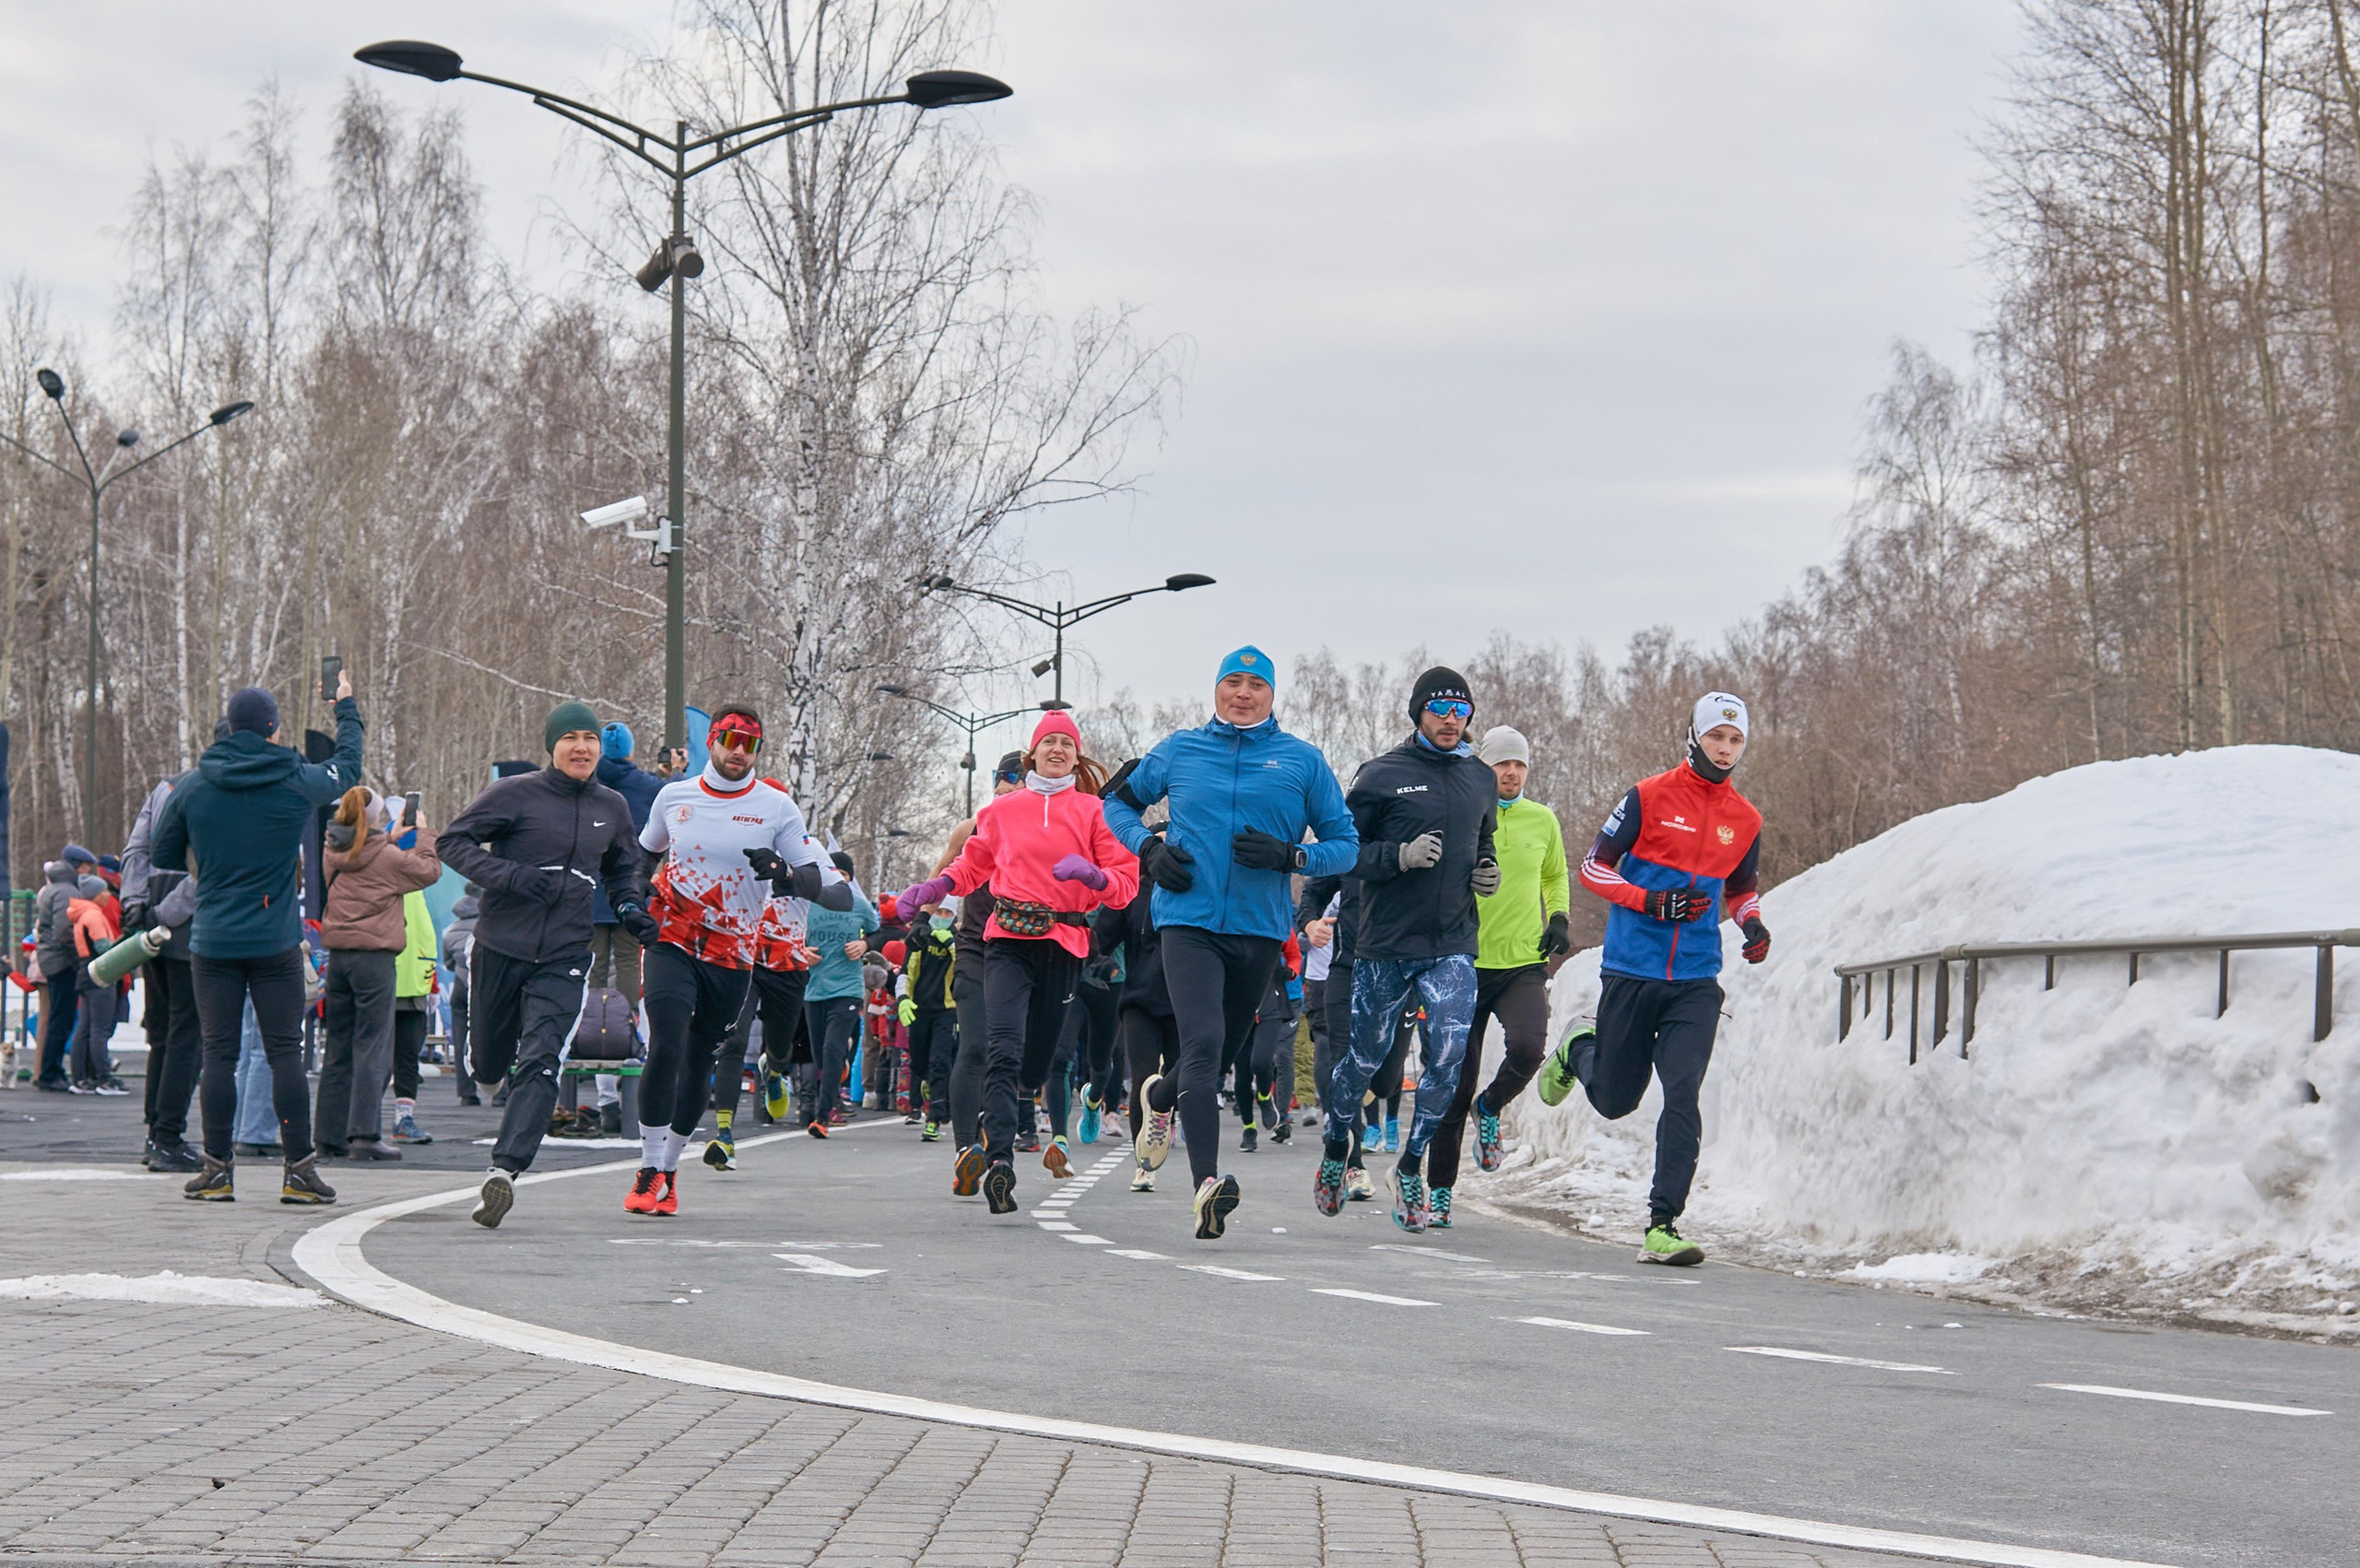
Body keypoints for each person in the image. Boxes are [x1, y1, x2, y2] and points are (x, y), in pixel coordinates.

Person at [1103, 646, 1359, 1240]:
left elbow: (1346, 845)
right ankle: (1207, 1187)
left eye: (1256, 685)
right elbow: (1115, 805)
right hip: (1187, 922)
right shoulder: (1180, 749)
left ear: (1272, 695)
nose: (1243, 693)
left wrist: (1293, 856)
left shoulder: (1302, 761)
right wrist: (1148, 849)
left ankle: (1160, 1099)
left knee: (1215, 1061)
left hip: (1258, 929)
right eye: (1233, 682)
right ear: (1217, 689)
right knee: (1203, 1043)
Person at [1539, 692, 1768, 1267]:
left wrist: (1752, 923)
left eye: (1735, 740)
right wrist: (1649, 900)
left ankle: (1662, 1225)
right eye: (1716, 736)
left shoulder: (1746, 819)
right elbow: (1593, 867)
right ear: (1694, 737)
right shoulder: (1647, 796)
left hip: (1695, 978)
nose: (1725, 748)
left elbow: (1740, 890)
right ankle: (1579, 1046)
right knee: (1615, 1100)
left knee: (1683, 1093)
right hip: (1632, 969)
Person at [893, 712, 1137, 1214]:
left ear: (1076, 756)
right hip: (1006, 939)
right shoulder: (1002, 811)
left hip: (1063, 944)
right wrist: (935, 887)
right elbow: (972, 864)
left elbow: (1125, 883)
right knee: (1000, 1048)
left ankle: (1004, 1123)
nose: (1057, 750)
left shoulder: (1093, 811)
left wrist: (1094, 877)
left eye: (1066, 744)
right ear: (1032, 754)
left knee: (1036, 1062)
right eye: (1048, 742)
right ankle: (1000, 1161)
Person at [436, 701, 649, 1229]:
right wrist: (509, 876)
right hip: (500, 946)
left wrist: (629, 908)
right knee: (489, 1066)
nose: (581, 747)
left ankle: (505, 1171)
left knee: (542, 1059)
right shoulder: (515, 794)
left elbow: (623, 870)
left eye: (590, 738)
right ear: (552, 745)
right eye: (570, 737)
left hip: (566, 952)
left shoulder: (613, 806)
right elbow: (451, 842)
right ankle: (485, 1067)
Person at [152, 678, 364, 1204]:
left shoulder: (193, 786)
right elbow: (348, 767)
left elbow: (163, 853)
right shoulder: (294, 778)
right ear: (273, 728)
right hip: (274, 938)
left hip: (213, 939)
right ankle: (300, 1173)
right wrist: (345, 708)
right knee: (285, 1052)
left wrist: (211, 863)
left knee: (218, 1054)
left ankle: (216, 1171)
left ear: (228, 725)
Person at [630, 704, 846, 1210]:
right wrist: (633, 895)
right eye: (730, 740)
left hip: (733, 953)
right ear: (712, 741)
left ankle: (669, 1170)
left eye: (750, 744)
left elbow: (826, 885)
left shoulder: (777, 808)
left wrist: (785, 874)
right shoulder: (674, 796)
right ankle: (646, 1169)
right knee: (665, 1043)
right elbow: (643, 856)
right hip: (672, 935)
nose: (739, 751)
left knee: (698, 1058)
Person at [1314, 666, 1497, 1233]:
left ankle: (1411, 1164)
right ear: (1418, 713)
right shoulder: (1381, 775)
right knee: (1366, 1060)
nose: (1451, 719)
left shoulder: (1480, 777)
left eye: (1460, 710)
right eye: (1440, 709)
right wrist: (1398, 856)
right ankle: (1337, 1144)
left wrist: (1487, 869)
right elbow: (1343, 851)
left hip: (1452, 944)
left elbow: (1483, 839)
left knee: (1448, 1055)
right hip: (1385, 945)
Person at [1428, 724, 1572, 1229]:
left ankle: (1490, 1107)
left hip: (1522, 962)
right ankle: (1439, 1192)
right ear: (1483, 767)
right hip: (1462, 962)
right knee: (1454, 1085)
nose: (1511, 772)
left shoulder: (1542, 819)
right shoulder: (1462, 815)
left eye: (1519, 764)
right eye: (1502, 764)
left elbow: (1554, 874)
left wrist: (1559, 916)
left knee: (1529, 1048)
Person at [312, 787, 440, 1161]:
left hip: (338, 958)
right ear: (374, 819)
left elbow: (365, 853)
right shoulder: (386, 857)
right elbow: (428, 871)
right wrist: (423, 835)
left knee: (338, 1047)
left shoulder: (331, 849)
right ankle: (365, 1135)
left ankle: (329, 1137)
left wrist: (389, 837)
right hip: (374, 960)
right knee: (372, 1047)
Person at [939, 753, 1023, 1195]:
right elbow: (943, 878)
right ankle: (964, 1150)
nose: (1001, 795)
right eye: (998, 788)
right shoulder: (970, 829)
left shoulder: (1044, 832)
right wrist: (926, 919)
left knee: (1007, 1053)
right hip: (974, 949)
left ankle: (993, 1136)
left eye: (1012, 787)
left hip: (1023, 954)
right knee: (974, 1047)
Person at [122, 771, 204, 1170]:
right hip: (185, 922)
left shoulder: (165, 787)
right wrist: (166, 914)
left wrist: (134, 903)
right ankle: (168, 1136)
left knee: (161, 1033)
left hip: (150, 914)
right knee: (187, 1035)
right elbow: (207, 867)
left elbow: (135, 849)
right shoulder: (213, 788)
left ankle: (156, 1130)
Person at [803, 851, 881, 1137]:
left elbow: (879, 933)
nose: (837, 879)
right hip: (814, 989)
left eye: (843, 874)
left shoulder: (858, 904)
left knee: (832, 1050)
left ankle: (822, 1117)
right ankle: (837, 1074)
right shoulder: (808, 904)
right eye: (832, 872)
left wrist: (864, 944)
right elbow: (790, 936)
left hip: (847, 989)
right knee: (820, 1056)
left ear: (850, 879)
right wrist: (801, 950)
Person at [30, 849, 94, 1091]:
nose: (88, 870)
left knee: (58, 1016)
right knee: (61, 1018)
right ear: (76, 866)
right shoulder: (67, 891)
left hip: (52, 959)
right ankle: (50, 1072)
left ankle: (51, 1070)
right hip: (62, 962)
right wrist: (78, 959)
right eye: (85, 866)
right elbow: (64, 931)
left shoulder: (54, 888)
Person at [901, 905, 958, 1140]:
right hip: (919, 1008)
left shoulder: (957, 939)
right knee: (919, 1063)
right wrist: (903, 998)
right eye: (939, 912)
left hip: (947, 1010)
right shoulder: (919, 935)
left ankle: (934, 1119)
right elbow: (906, 971)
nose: (943, 917)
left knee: (940, 1062)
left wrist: (952, 944)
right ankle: (927, 1082)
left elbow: (967, 968)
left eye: (948, 914)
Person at [67, 876, 127, 1092]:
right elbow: (104, 948)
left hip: (85, 973)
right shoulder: (93, 915)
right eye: (103, 891)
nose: (107, 895)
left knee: (84, 1029)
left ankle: (80, 1079)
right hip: (101, 974)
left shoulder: (81, 914)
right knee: (99, 1030)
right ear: (93, 895)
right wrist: (126, 941)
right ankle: (104, 1079)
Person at [389, 883, 440, 1143]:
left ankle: (403, 1119)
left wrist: (432, 982)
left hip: (413, 981)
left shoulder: (417, 883)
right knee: (375, 1058)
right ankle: (360, 1124)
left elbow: (423, 934)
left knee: (407, 1056)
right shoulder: (385, 876)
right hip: (384, 977)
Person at [439, 886, 480, 1106]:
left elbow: (448, 963)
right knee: (497, 1036)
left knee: (461, 1040)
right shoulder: (488, 928)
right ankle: (502, 1093)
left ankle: (467, 1094)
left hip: (459, 989)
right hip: (483, 989)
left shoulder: (450, 932)